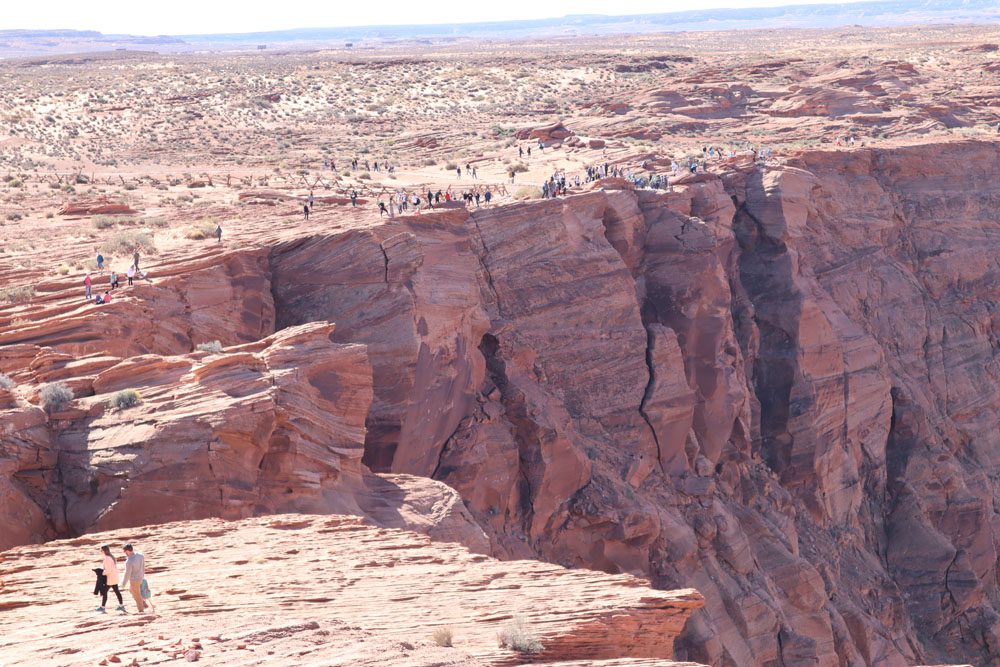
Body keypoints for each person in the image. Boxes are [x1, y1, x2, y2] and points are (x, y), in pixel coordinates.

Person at [96, 545, 125, 613]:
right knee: (117, 591)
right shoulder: (111, 557)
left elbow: (108, 570)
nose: (101, 551)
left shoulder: (107, 558)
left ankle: (102, 607)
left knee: (104, 592)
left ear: (104, 551)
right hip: (114, 577)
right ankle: (121, 605)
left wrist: (102, 573)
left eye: (101, 550)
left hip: (110, 578)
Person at [121, 544, 146, 613]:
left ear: (128, 551)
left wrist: (123, 584)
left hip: (134, 581)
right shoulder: (140, 555)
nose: (125, 553)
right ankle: (142, 602)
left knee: (137, 595)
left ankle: (141, 610)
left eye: (125, 551)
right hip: (140, 578)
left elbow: (127, 574)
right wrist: (142, 576)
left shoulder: (129, 561)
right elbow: (143, 566)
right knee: (131, 590)